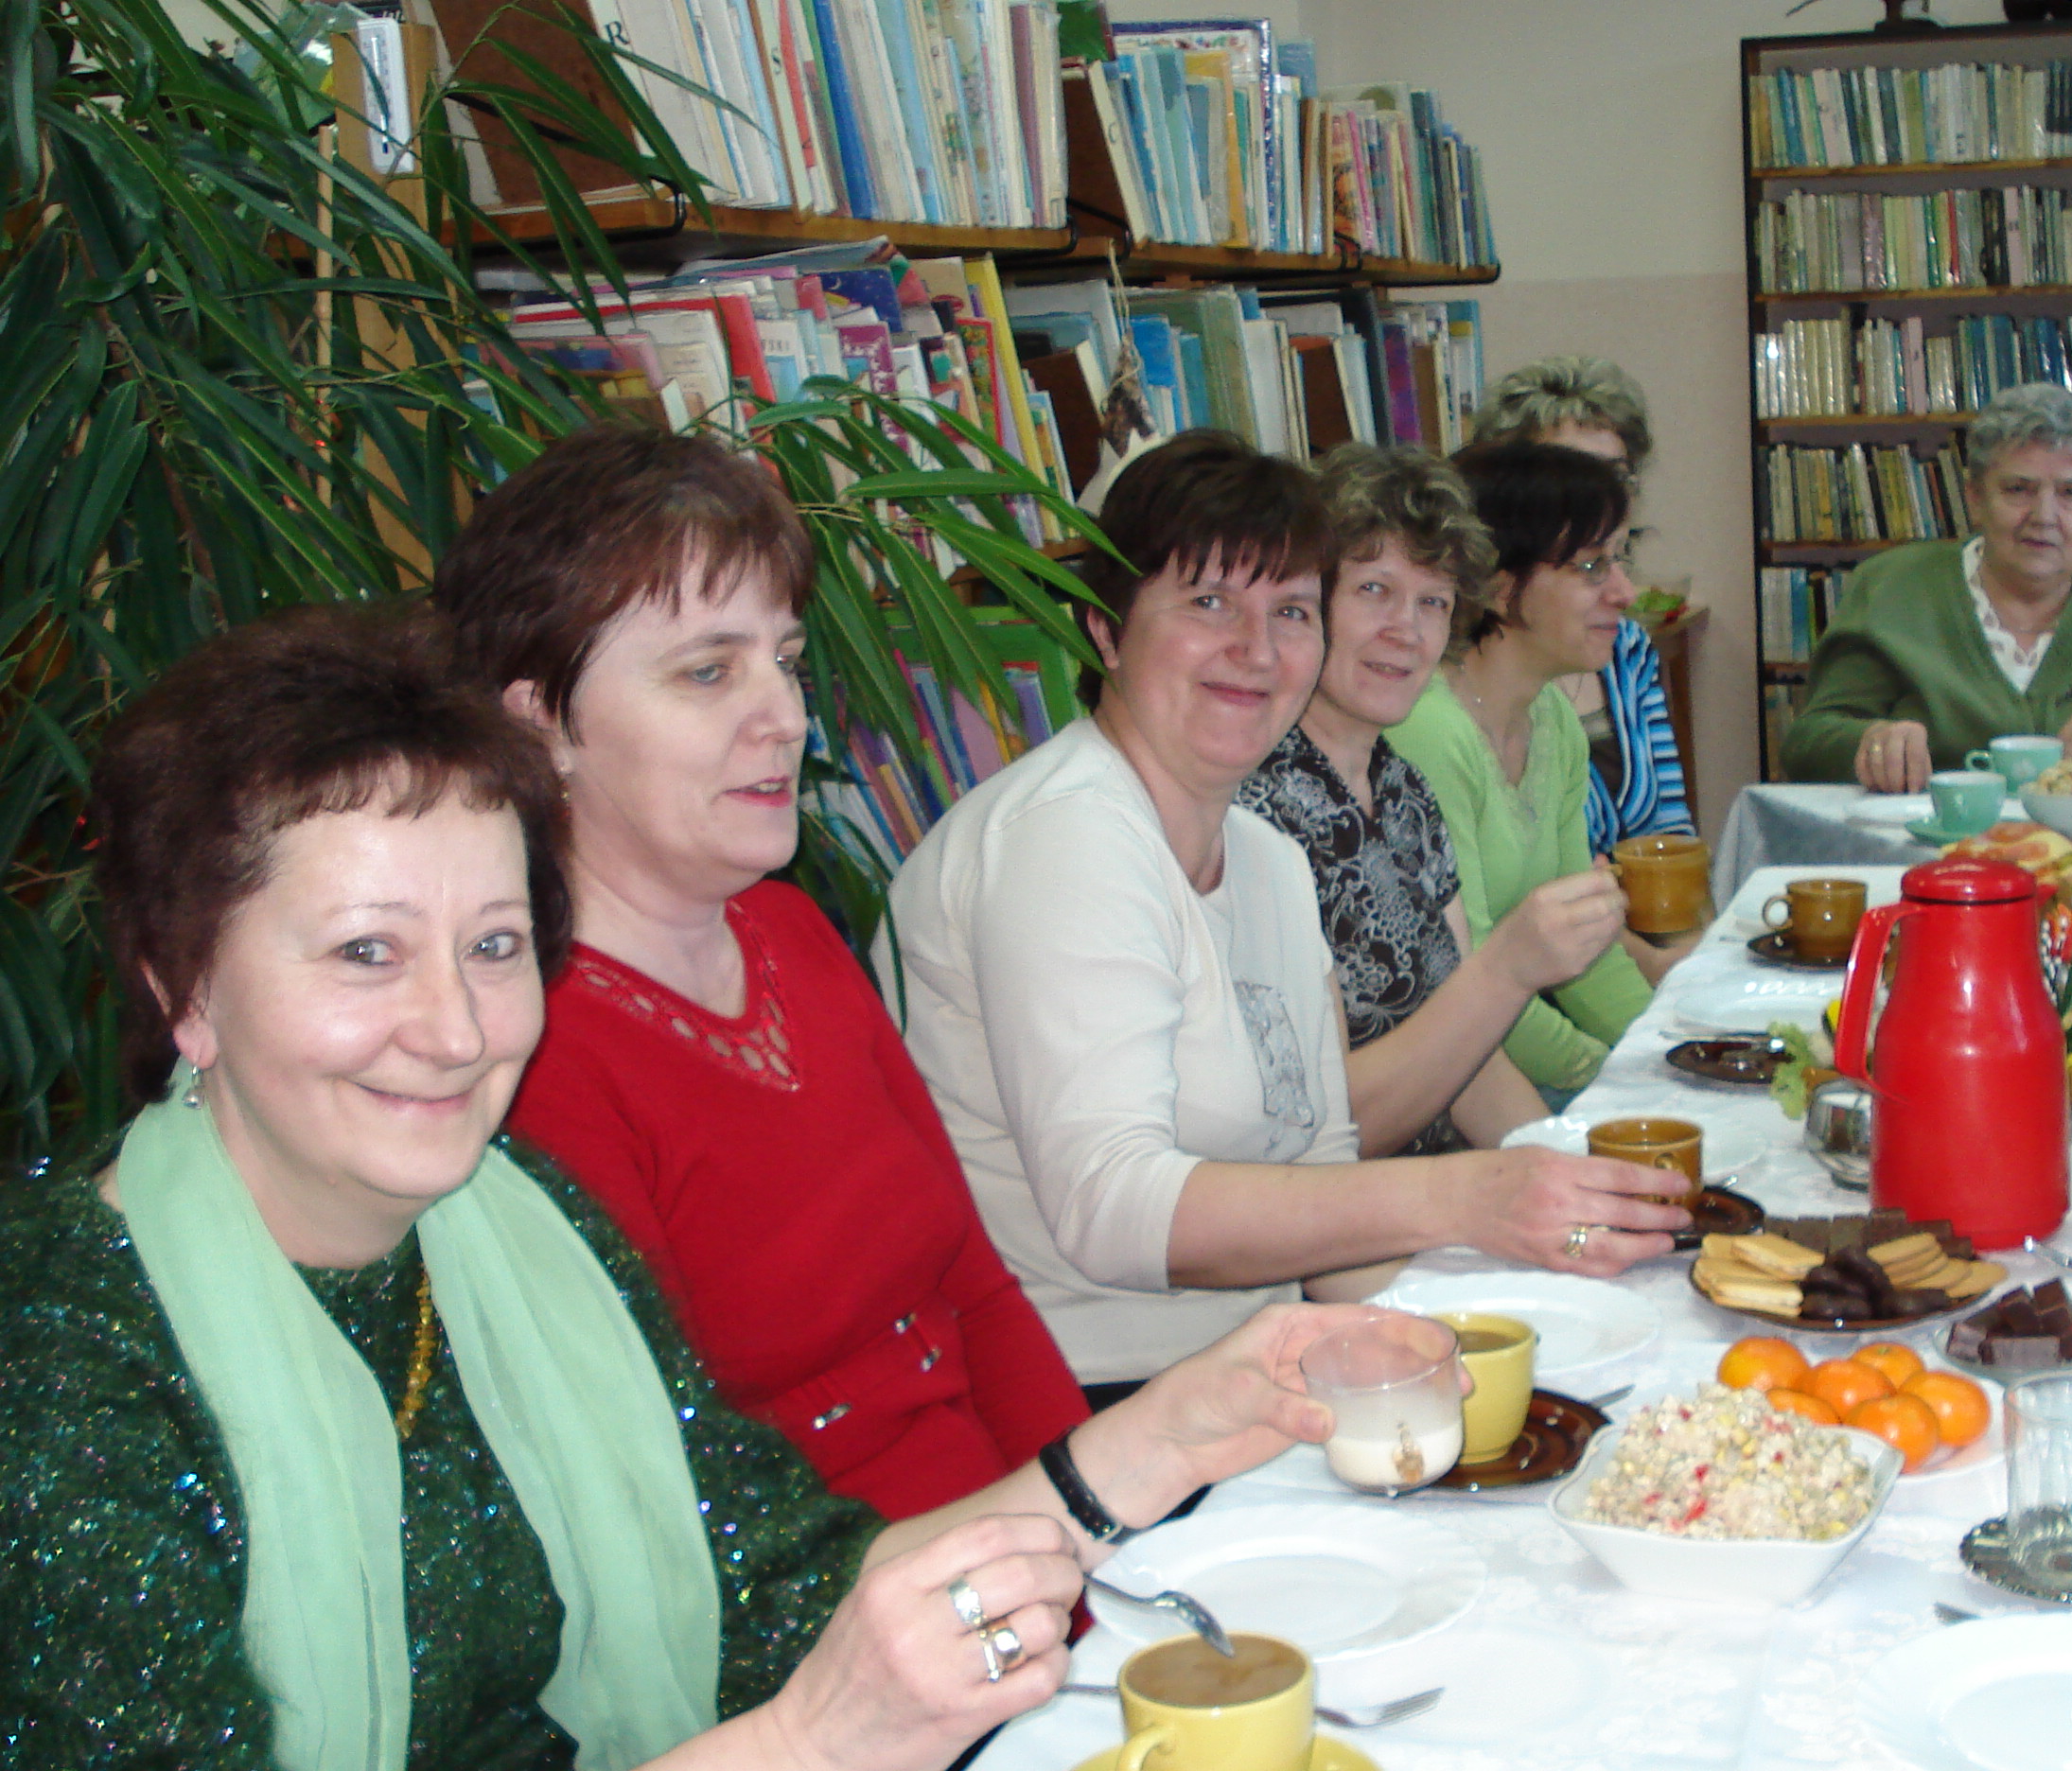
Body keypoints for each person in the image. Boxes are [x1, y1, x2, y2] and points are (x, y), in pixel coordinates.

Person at [0, 605, 1371, 1768]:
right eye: (367, 952)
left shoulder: (518, 1223)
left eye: (494, 945)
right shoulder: (60, 1353)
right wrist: (805, 1744)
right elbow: (803, 1703)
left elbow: (778, 1587)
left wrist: (1157, 1444)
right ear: (185, 986)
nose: (457, 1029)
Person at [434, 426, 1374, 1537]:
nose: (785, 716)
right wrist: (1056, 1542)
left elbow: (972, 1289)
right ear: (540, 722)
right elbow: (677, 1515)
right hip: (855, 1595)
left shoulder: (786, 934)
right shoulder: (529, 1047)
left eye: (784, 661)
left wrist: (1086, 1541)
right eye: (708, 671)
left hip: (1018, 1520)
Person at [889, 431, 1687, 1394]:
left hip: (1267, 1359)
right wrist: (1458, 1200)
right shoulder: (1063, 837)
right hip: (1093, 1394)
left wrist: (1480, 1338)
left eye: (1292, 612)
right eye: (1208, 602)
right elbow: (1112, 1211)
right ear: (1105, 629)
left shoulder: (1265, 859)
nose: (1257, 649)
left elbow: (1324, 1181)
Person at [1234, 443, 1628, 1157]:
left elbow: (1469, 1057)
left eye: (1433, 602)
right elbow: (1320, 1133)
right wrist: (1507, 968)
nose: (1406, 630)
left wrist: (1561, 1166)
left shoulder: (1401, 790)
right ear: (1307, 603)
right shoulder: (1256, 810)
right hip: (1360, 1203)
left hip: (1453, 1180)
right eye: (1373, 590)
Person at [1777, 383, 2072, 789]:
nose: (2044, 516)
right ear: (1975, 499)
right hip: (1931, 848)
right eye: (2019, 489)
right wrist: (1871, 742)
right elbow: (1806, 744)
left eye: (2071, 492)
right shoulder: (1892, 587)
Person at [1386, 441, 1667, 1096]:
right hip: (1456, 1089)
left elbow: (1587, 954)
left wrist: (1670, 1057)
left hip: (1519, 1067)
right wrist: (1615, 1079)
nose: (1624, 592)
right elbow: (1472, 978)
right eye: (1592, 567)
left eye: (1619, 560)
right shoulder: (1430, 731)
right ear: (1499, 583)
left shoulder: (1552, 718)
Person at [1467, 355, 1694, 855]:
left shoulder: (1626, 647)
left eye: (1616, 475)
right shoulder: (1464, 680)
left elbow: (1672, 830)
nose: (1599, 495)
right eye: (1571, 473)